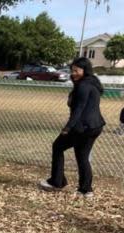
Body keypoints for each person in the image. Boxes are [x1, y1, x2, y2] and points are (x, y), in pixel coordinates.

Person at [39, 57, 105, 199]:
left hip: (82, 127)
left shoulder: (83, 86)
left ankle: (58, 182)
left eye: (76, 70)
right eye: (72, 70)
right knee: (82, 157)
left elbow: (79, 109)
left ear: (84, 70)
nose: (73, 73)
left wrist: (67, 128)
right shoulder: (92, 82)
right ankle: (85, 190)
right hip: (95, 126)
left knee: (58, 146)